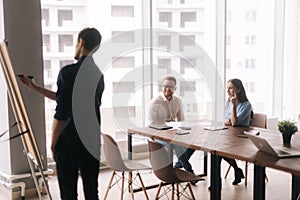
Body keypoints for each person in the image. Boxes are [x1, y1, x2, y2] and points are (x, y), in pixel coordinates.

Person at [19, 28, 104, 199]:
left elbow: (62, 113)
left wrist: (53, 143)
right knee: (91, 192)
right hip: (91, 140)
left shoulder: (68, 72)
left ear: (81, 42)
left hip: (69, 142)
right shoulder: (98, 75)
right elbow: (67, 99)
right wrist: (35, 88)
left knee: (68, 193)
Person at [148, 76, 197, 184]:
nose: (167, 89)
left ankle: (180, 162)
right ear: (162, 87)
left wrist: (182, 129)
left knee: (195, 141)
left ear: (175, 88)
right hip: (157, 135)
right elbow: (152, 124)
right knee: (175, 144)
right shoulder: (155, 102)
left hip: (173, 132)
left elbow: (181, 120)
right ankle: (189, 171)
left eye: (170, 87)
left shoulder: (178, 100)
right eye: (165, 86)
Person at [223, 78, 252, 185]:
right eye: (227, 88)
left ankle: (236, 170)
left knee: (219, 150)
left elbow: (234, 122)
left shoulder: (247, 105)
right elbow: (226, 119)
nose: (228, 91)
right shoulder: (228, 102)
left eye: (230, 88)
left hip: (241, 138)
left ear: (238, 90)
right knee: (216, 150)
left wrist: (234, 106)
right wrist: (229, 120)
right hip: (230, 134)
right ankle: (236, 170)